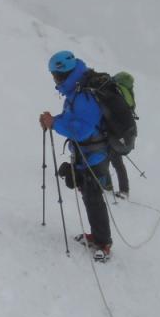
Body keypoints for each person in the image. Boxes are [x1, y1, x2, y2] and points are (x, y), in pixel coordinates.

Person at [39, 50, 113, 262]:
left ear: (62, 75)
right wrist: (54, 120)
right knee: (88, 195)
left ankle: (104, 243)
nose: (53, 79)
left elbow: (82, 130)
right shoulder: (76, 90)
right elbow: (73, 118)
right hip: (86, 153)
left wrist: (55, 123)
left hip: (94, 154)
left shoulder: (84, 95)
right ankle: (97, 236)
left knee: (94, 197)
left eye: (54, 75)